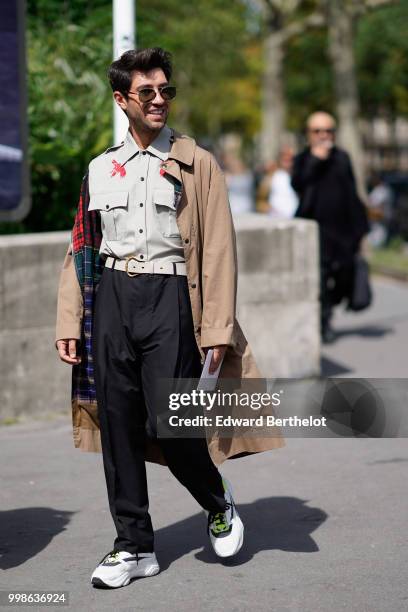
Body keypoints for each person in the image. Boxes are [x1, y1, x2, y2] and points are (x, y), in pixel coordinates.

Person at [55, 47, 283, 589]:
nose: (159, 101)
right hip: (111, 295)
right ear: (121, 100)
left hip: (172, 296)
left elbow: (220, 250)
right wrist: (70, 318)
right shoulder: (100, 166)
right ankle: (133, 546)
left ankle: (216, 499)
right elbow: (80, 248)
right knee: (118, 424)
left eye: (166, 91)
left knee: (172, 422)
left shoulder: (195, 161)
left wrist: (219, 329)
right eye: (147, 93)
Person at [291, 112, 369, 343]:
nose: (324, 136)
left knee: (345, 276)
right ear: (309, 134)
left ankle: (328, 310)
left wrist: (361, 229)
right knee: (321, 280)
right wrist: (316, 159)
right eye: (318, 131)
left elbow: (352, 192)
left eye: (328, 131)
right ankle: (324, 323)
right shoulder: (303, 159)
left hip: (344, 231)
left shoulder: (342, 157)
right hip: (316, 231)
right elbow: (298, 184)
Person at [267, 147, 298, 219]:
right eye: (285, 158)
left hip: (294, 218)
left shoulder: (297, 175)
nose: (287, 161)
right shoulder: (272, 175)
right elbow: (261, 198)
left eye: (290, 159)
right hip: (276, 218)